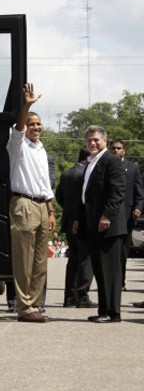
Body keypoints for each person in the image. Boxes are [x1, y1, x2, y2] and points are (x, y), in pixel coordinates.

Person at [6, 83, 55, 323]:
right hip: (24, 204)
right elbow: (18, 127)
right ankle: (24, 307)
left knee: (40, 261)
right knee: (24, 260)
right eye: (32, 124)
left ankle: (35, 304)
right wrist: (26, 106)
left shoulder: (41, 149)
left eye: (38, 124)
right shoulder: (18, 145)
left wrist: (51, 210)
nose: (36, 128)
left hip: (42, 206)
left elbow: (45, 184)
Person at [79, 126, 127, 323]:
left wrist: (107, 216)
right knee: (100, 270)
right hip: (93, 223)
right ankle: (103, 310)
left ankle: (113, 313)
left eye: (96, 140)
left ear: (104, 141)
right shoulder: (92, 162)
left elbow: (118, 191)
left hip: (108, 225)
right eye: (89, 140)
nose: (92, 143)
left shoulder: (111, 160)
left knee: (110, 271)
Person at [55, 148, 94, 307]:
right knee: (86, 259)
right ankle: (82, 296)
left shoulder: (66, 173)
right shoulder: (88, 173)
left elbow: (59, 196)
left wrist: (68, 210)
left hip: (68, 220)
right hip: (84, 220)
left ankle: (69, 297)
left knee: (73, 259)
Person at [109, 139, 144, 291]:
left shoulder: (133, 168)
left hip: (127, 216)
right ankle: (108, 282)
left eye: (119, 148)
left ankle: (120, 282)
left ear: (124, 150)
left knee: (122, 250)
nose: (116, 151)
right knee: (109, 251)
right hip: (109, 214)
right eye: (113, 148)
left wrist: (138, 208)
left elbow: (139, 192)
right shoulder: (105, 166)